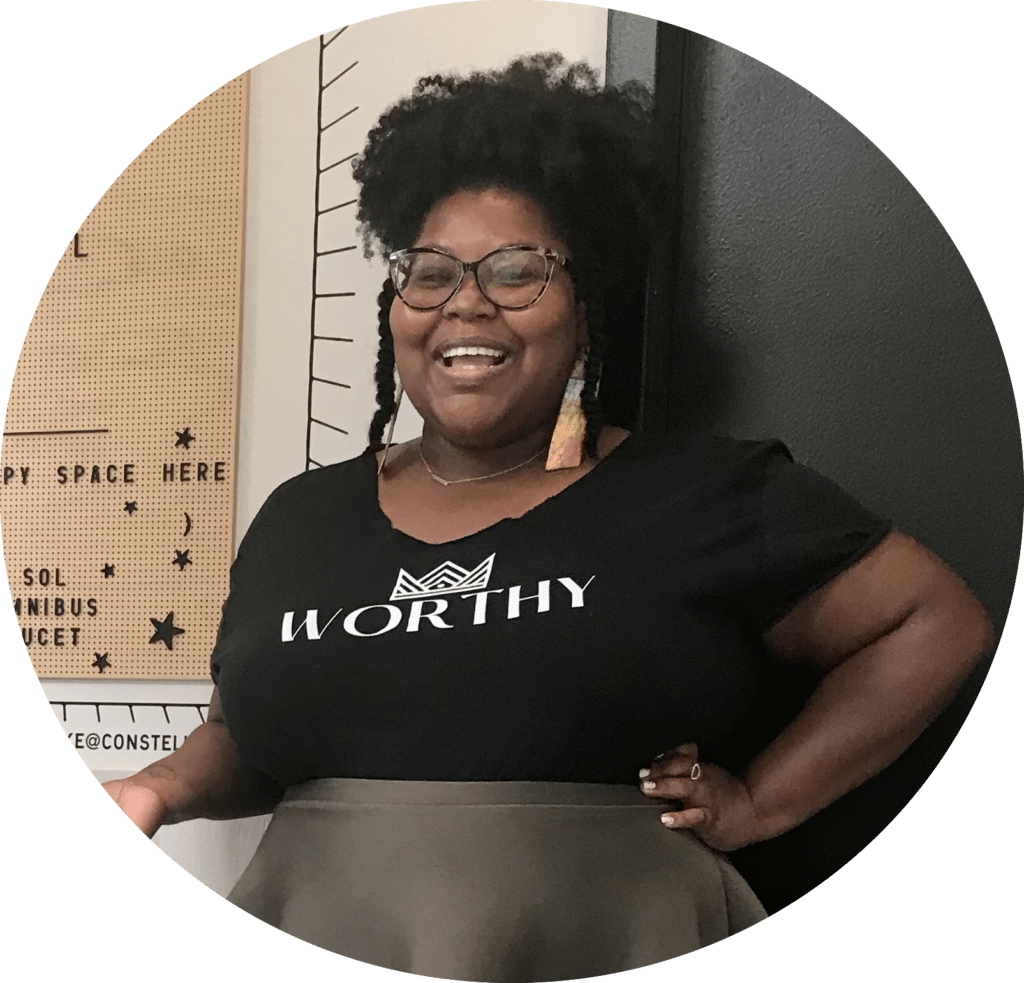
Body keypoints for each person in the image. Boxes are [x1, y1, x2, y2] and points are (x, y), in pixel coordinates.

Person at [103, 55, 992, 981]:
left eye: (517, 269)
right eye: (430, 271)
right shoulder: (299, 516)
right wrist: (156, 787)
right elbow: (250, 736)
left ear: (582, 305)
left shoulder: (697, 490)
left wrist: (762, 802)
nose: (466, 303)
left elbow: (934, 621)